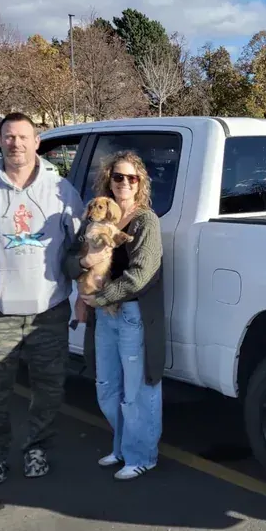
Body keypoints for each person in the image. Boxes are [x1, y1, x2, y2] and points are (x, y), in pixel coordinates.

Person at [0, 112, 84, 485]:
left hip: (48, 313)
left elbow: (78, 243)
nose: (16, 144)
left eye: (24, 137)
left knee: (49, 388)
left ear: (37, 142)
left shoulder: (61, 191)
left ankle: (37, 448)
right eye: (9, 137)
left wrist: (80, 288)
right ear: (0, 141)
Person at [64, 151, 165, 480]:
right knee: (108, 387)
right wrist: (82, 265)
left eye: (131, 178)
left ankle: (142, 456)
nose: (124, 183)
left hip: (131, 313)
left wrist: (98, 297)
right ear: (109, 180)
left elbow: (140, 275)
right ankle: (121, 448)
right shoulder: (97, 219)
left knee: (137, 391)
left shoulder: (145, 221)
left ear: (140, 184)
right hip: (103, 315)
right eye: (118, 177)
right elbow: (70, 258)